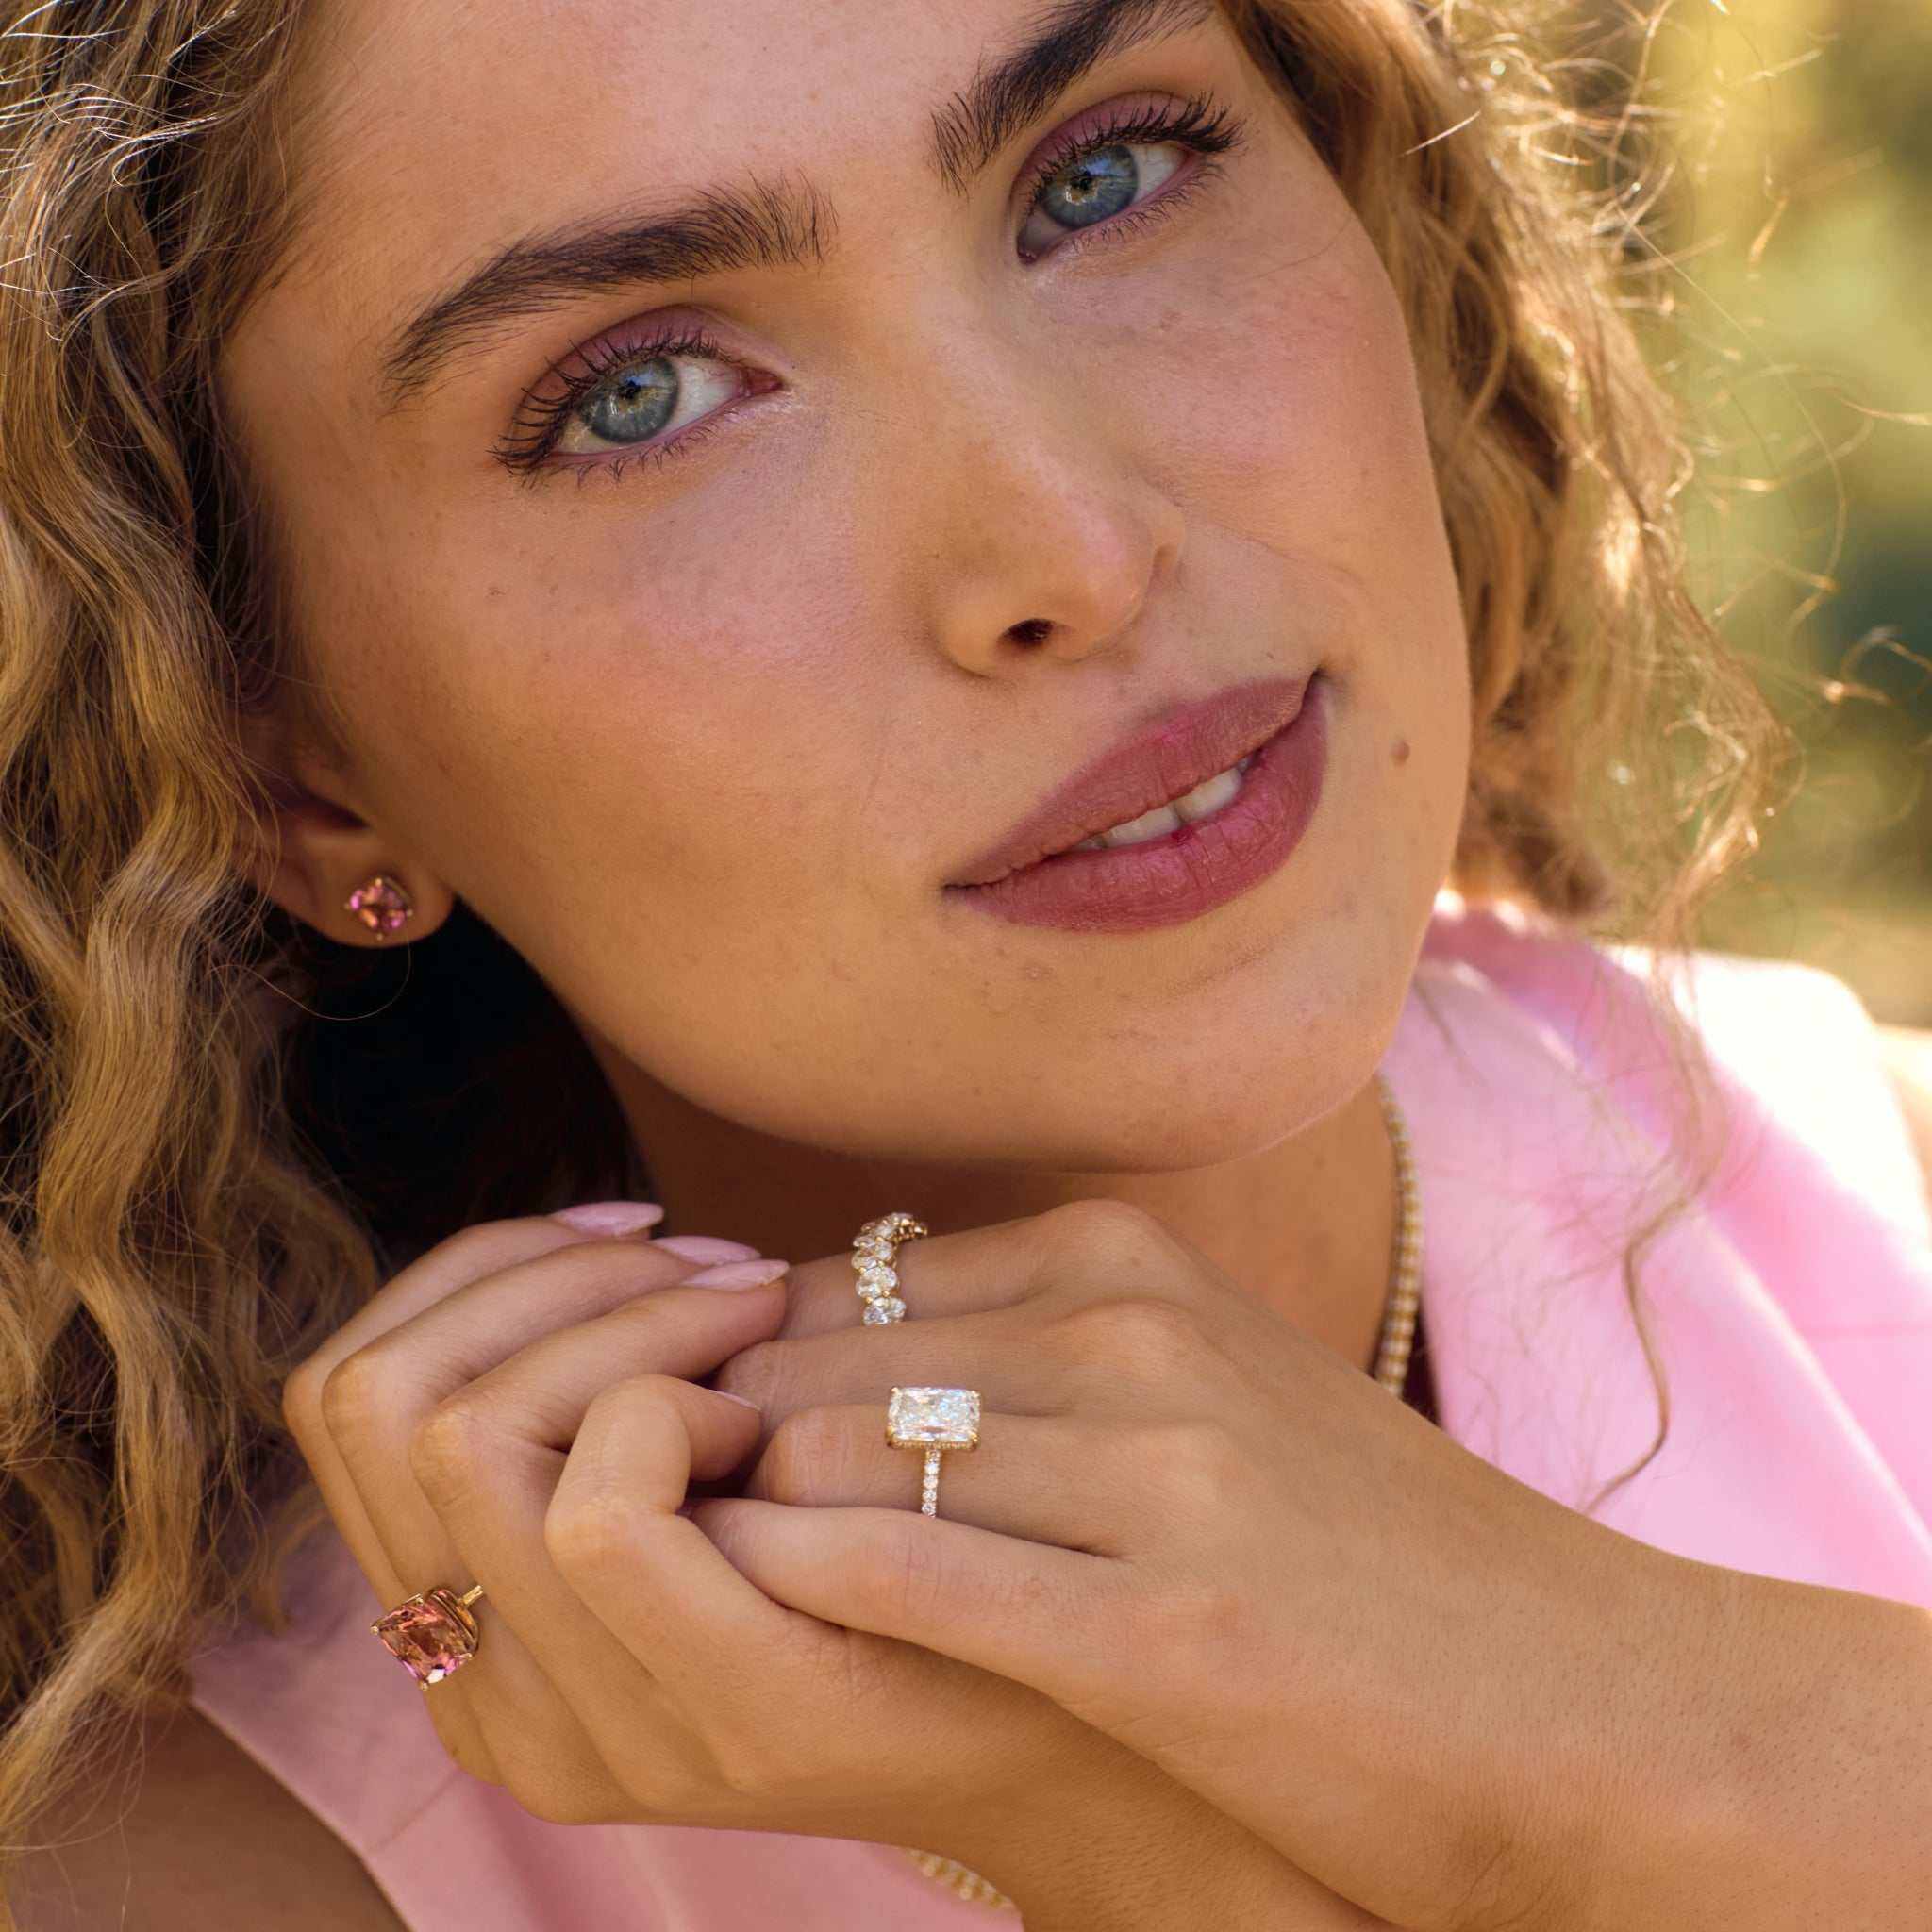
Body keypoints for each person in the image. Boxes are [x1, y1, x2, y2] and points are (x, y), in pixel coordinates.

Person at [3, 0, 1928, 1927]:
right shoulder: (229, 1869)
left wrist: (1644, 1722)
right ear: (285, 763)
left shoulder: (1896, 1196)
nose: (1073, 550)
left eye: (1103, 178)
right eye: (640, 394)